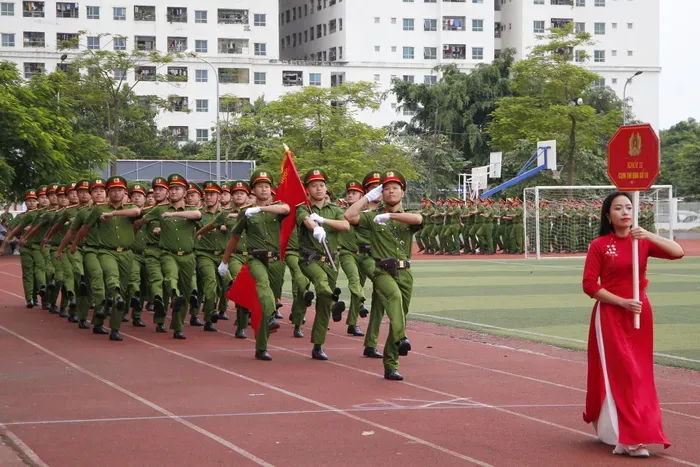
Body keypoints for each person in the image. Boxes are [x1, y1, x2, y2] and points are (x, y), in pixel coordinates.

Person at [581, 191, 684, 458]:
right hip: (611, 316)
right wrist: (622, 302)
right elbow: (590, 286)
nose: (625, 212)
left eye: (629, 207)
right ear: (608, 215)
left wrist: (647, 235)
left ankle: (630, 432)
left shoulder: (643, 243)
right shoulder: (600, 245)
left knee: (639, 375)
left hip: (641, 316)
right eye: (618, 208)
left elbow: (678, 252)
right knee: (623, 373)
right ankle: (627, 439)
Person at [345, 170, 422, 381]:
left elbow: (418, 218)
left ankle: (391, 364)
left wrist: (391, 216)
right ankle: (402, 337)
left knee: (400, 315)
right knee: (394, 298)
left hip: (405, 272)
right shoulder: (373, 217)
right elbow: (349, 216)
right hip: (382, 271)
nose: (390, 192)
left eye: (395, 188)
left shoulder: (404, 217)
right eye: (386, 189)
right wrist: (367, 198)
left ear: (403, 193)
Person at [219, 169, 289, 361]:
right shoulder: (245, 212)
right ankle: (271, 317)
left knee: (265, 303)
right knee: (262, 286)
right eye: (260, 186)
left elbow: (286, 210)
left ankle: (261, 346)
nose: (264, 190)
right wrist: (224, 261)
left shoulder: (277, 206)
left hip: (275, 260)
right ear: (253, 190)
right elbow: (234, 237)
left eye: (267, 186)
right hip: (255, 259)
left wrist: (261, 209)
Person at [296, 168, 350, 361]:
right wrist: (315, 226)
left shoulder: (335, 209)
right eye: (313, 185)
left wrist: (324, 220)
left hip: (330, 261)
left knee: (324, 303)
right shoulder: (303, 207)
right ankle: (336, 301)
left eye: (321, 185)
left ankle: (318, 345)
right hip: (310, 259)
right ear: (307, 189)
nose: (318, 189)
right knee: (320, 281)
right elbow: (304, 220)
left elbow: (345, 226)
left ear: (326, 188)